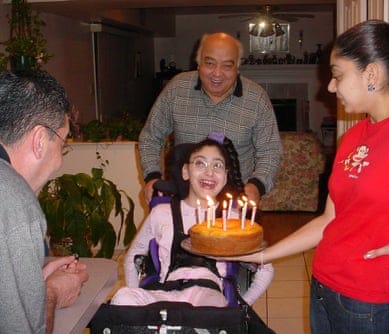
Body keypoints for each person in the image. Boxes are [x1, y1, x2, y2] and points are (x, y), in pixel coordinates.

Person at [226, 18, 389, 334]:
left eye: (337, 75)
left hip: (370, 304)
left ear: (371, 74)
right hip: (324, 287)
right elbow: (329, 220)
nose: (330, 86)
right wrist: (261, 255)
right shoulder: (354, 137)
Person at [111, 134, 273, 307]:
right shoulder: (161, 213)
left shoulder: (232, 220)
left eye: (217, 165)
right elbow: (133, 257)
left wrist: (242, 307)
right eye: (200, 163)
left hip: (208, 296)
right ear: (185, 172)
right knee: (122, 296)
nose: (209, 172)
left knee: (208, 311)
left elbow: (266, 268)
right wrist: (134, 302)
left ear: (225, 177)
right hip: (166, 292)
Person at [138, 32, 282, 205]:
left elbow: (270, 151)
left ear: (237, 68)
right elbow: (151, 137)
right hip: (183, 199)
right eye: (210, 63)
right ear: (198, 64)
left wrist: (256, 185)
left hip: (234, 201)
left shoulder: (256, 98)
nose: (217, 73)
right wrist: (153, 177)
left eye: (227, 66)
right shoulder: (176, 89)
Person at [0, 70, 89, 334]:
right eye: (62, 145)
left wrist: (31, 284)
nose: (60, 161)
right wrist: (50, 293)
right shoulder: (15, 202)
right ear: (40, 140)